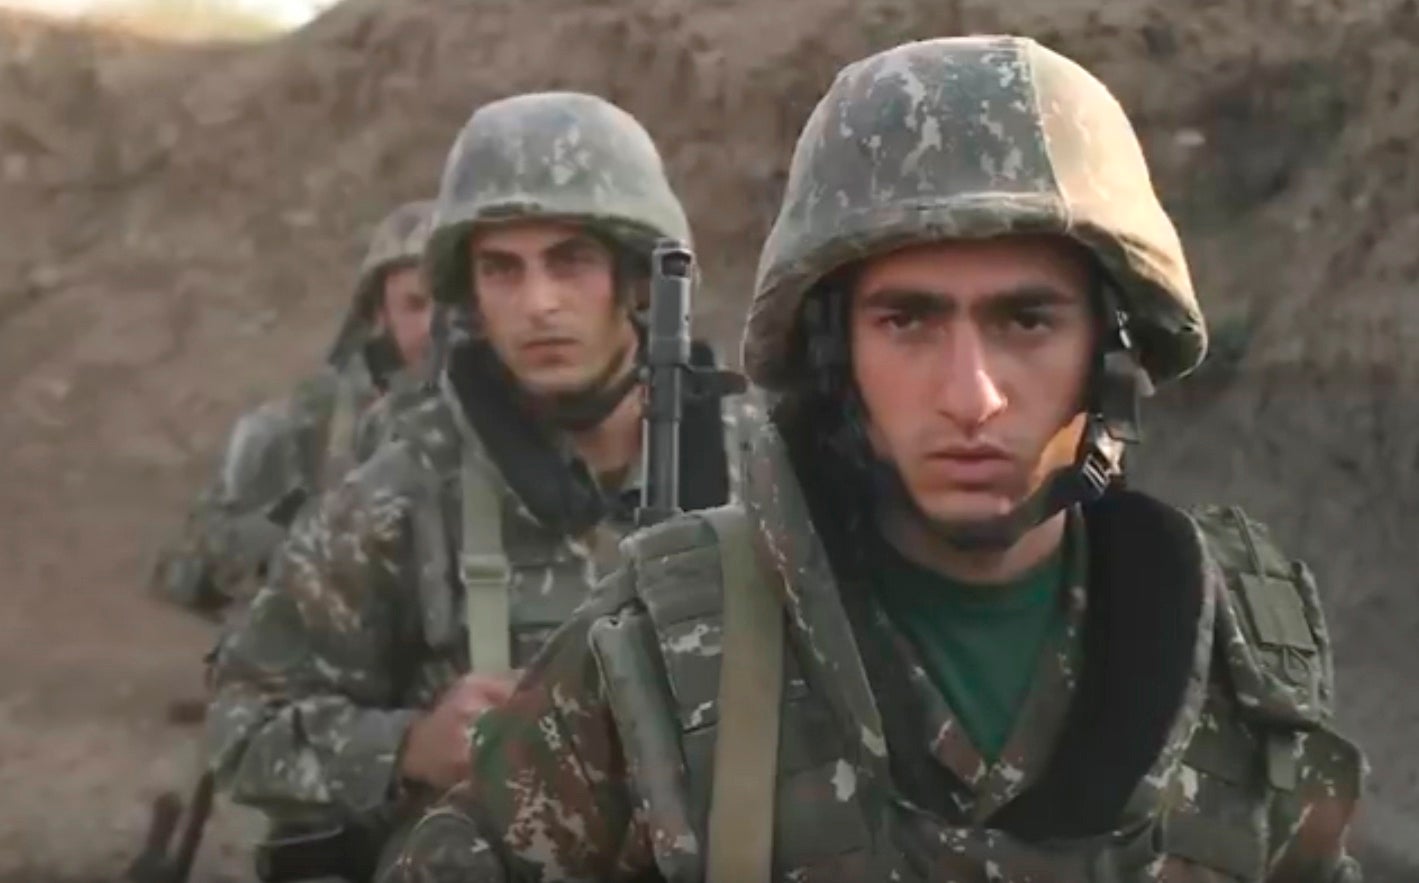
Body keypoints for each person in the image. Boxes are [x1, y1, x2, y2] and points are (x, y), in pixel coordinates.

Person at [389, 36, 1366, 883]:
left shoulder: (1242, 651)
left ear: (1109, 357)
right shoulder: (662, 654)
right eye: (908, 321)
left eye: (1027, 320)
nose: (971, 394)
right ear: (835, 358)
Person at [205, 91, 735, 882]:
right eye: (502, 269)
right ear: (472, 295)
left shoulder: (761, 470)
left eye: (570, 260)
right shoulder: (403, 489)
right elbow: (240, 726)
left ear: (634, 278)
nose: (538, 302)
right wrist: (410, 745)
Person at [151, 199, 437, 616]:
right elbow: (191, 571)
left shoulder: (533, 413)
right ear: (380, 312)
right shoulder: (306, 425)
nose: (435, 325)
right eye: (415, 305)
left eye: (454, 304)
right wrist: (302, 547)